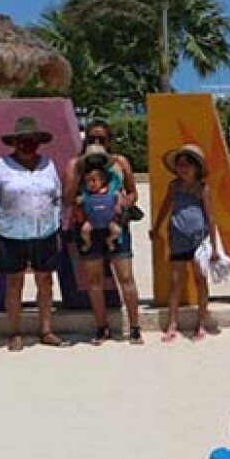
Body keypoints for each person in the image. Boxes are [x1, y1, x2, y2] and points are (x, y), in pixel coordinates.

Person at [0, 115, 68, 351]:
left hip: (45, 231)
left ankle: (46, 329)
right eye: (23, 140)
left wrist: (57, 227)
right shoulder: (1, 166)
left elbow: (56, 198)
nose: (27, 144)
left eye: (32, 140)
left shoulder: (48, 164)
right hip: (11, 233)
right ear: (15, 142)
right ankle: (14, 332)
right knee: (14, 283)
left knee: (45, 281)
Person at [64, 122, 143, 345]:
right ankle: (101, 327)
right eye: (92, 139)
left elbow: (133, 192)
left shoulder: (119, 163)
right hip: (87, 227)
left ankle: (135, 327)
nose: (97, 143)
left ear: (109, 141)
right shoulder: (74, 164)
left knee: (126, 277)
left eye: (102, 139)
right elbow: (67, 199)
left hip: (115, 226)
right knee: (94, 280)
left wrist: (122, 205)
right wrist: (80, 173)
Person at [150, 143, 221, 342]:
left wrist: (214, 247)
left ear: (197, 168)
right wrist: (156, 228)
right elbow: (165, 207)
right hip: (177, 237)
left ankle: (201, 322)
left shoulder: (203, 188)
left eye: (187, 165)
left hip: (198, 240)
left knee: (200, 280)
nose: (183, 169)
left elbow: (210, 217)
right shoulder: (174, 186)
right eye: (180, 165)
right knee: (175, 283)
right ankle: (172, 324)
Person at [72, 155, 124, 254]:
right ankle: (88, 243)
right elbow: (77, 201)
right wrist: (78, 201)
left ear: (102, 181)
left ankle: (109, 241)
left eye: (94, 180)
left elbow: (118, 195)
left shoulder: (109, 191)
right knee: (84, 231)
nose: (91, 184)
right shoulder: (86, 195)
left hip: (109, 221)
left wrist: (118, 205)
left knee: (117, 231)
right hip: (91, 221)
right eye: (88, 182)